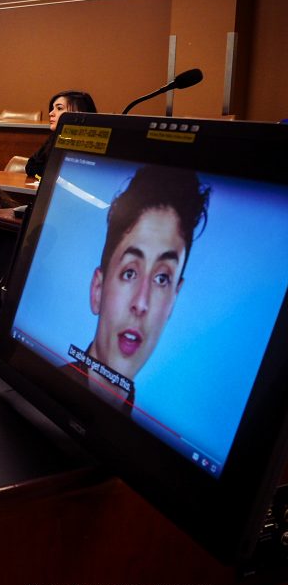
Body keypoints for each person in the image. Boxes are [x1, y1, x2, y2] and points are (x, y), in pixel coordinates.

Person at [76, 165, 210, 407]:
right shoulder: (36, 378)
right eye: (129, 272)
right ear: (97, 290)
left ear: (173, 301)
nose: (141, 302)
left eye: (162, 279)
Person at [24, 90, 97, 179]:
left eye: (59, 108)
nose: (51, 113)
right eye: (52, 108)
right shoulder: (56, 137)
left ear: (79, 112)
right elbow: (31, 166)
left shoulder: (91, 143)